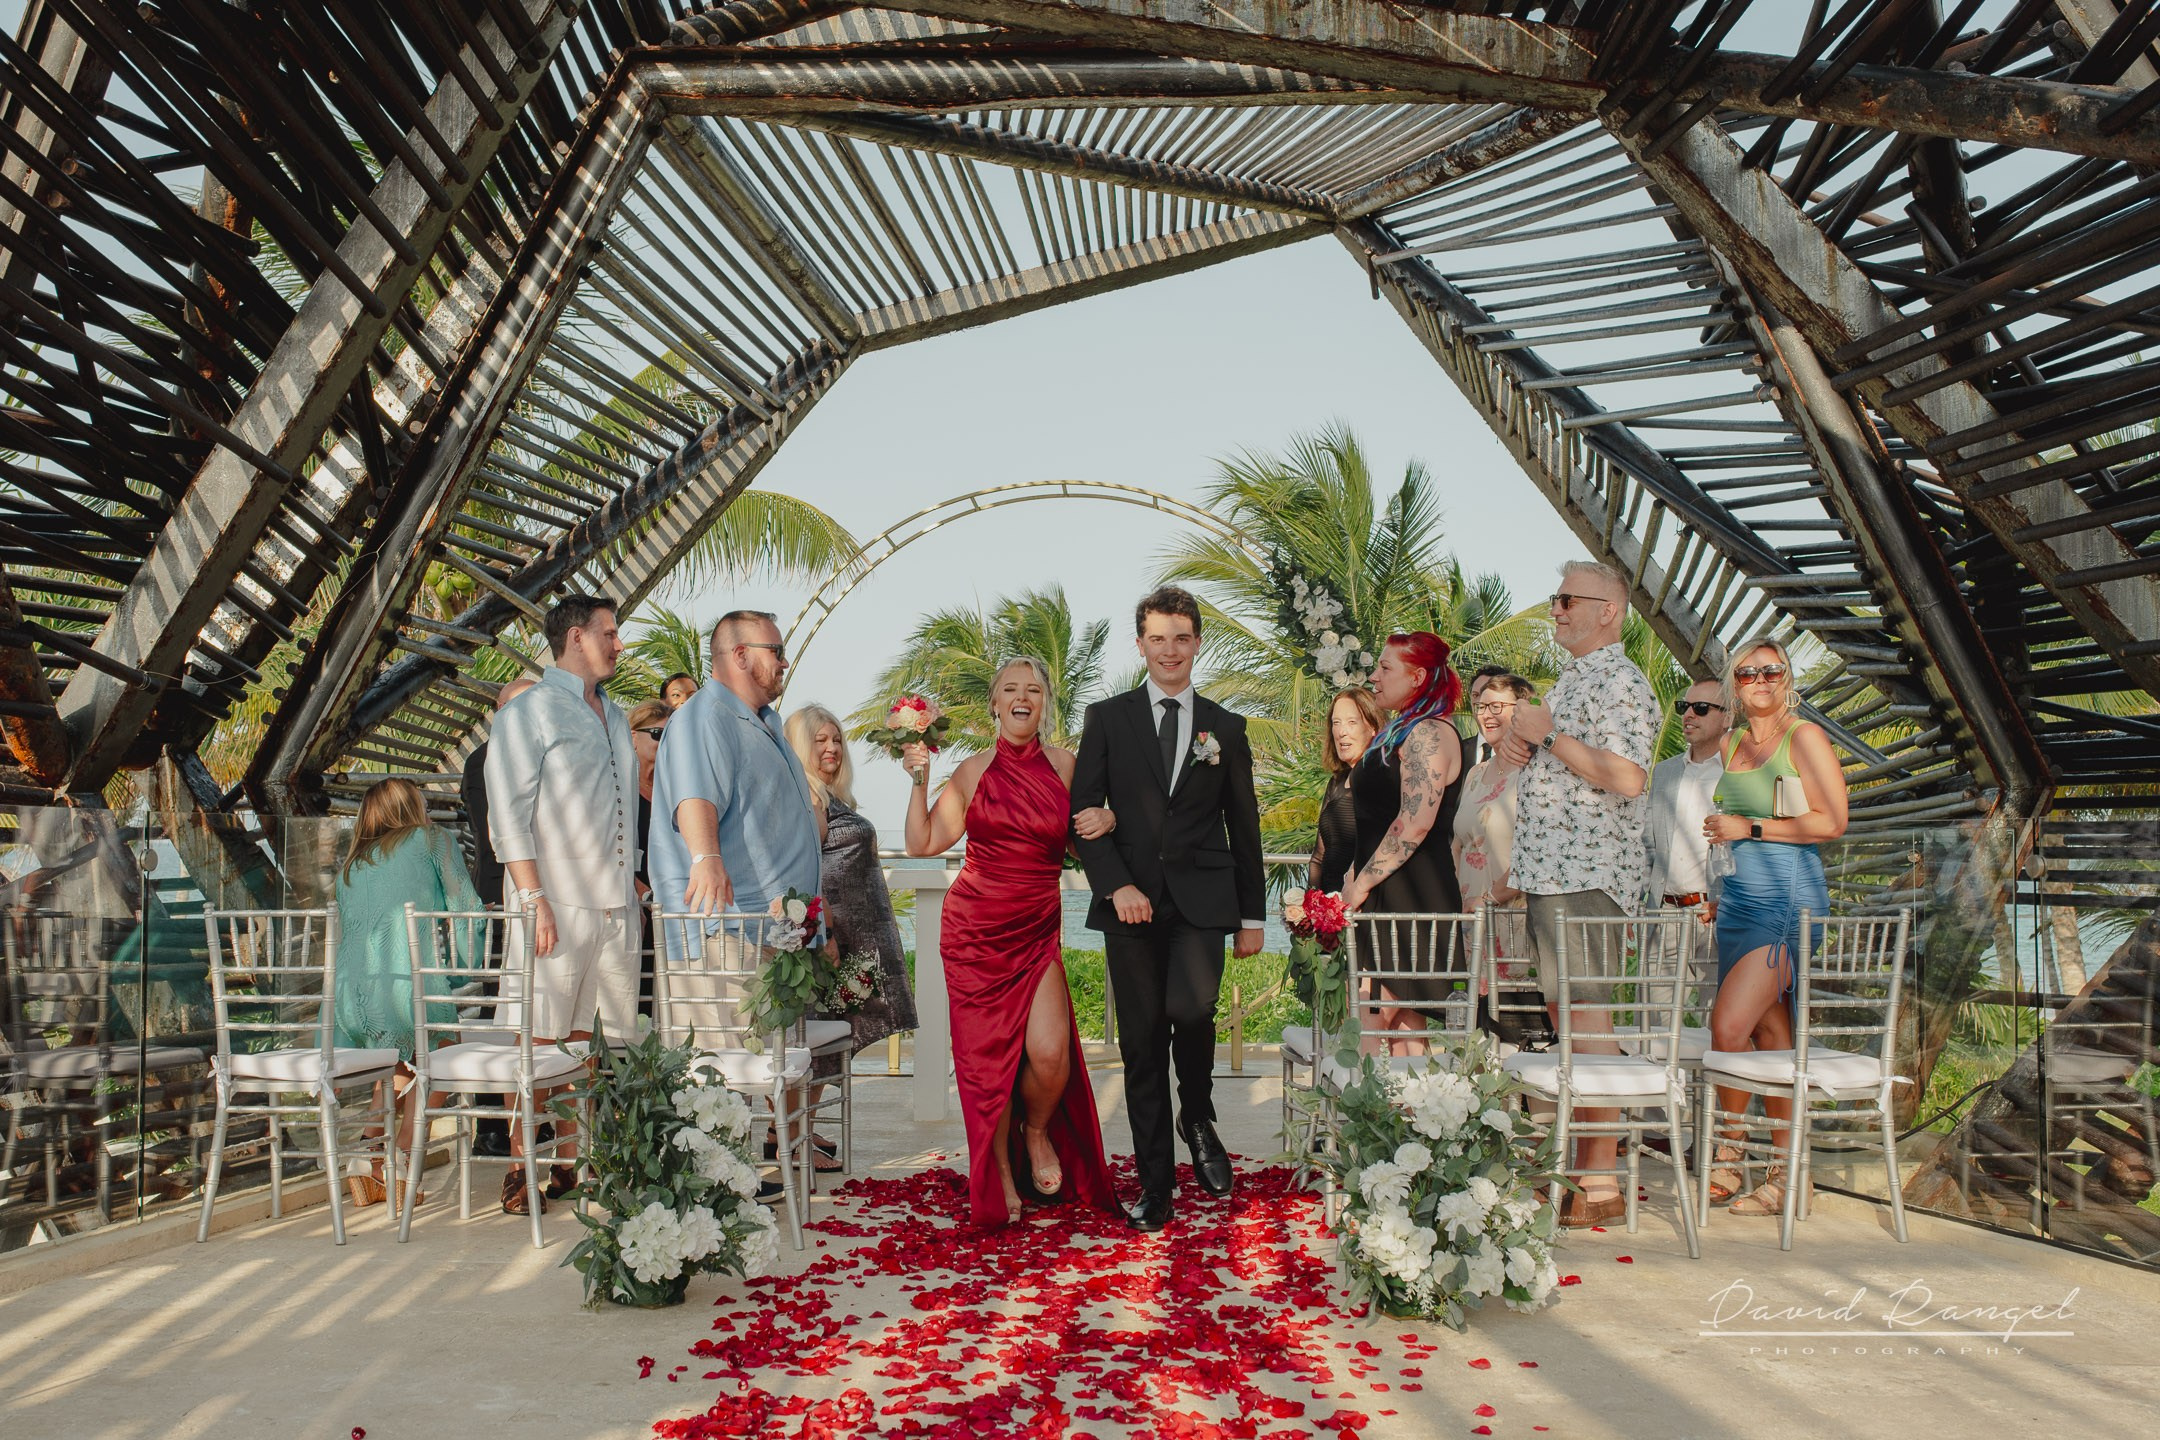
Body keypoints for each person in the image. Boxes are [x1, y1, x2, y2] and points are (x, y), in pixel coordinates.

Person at [1071, 586, 1266, 1233]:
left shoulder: (1226, 728)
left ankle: (1198, 1112)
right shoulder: (1107, 718)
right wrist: (1116, 886)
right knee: (1143, 1046)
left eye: (1181, 637)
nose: (1170, 650)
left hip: (1203, 903)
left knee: (1194, 1009)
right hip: (1130, 905)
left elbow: (1246, 827)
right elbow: (1083, 820)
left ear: (1196, 643)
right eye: (1158, 638)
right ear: (1141, 645)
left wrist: (1252, 917)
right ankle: (1156, 1187)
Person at [902, 658, 1117, 1226]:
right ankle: (998, 1171)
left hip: (1037, 926)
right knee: (986, 1065)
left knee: (1051, 1058)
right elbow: (922, 843)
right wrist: (920, 778)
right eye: (1011, 690)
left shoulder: (1068, 768)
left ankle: (1036, 1130)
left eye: (1034, 690)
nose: (1023, 698)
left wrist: (1107, 819)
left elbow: (1080, 847)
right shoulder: (972, 773)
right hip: (974, 931)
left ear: (1046, 703)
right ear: (994, 703)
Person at [1499, 560, 1660, 1228]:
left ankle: (1598, 1181)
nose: (1555, 609)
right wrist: (1525, 749)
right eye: (1554, 597)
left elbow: (1628, 777)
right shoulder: (1574, 683)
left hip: (1588, 880)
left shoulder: (1620, 681)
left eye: (1567, 599)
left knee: (1589, 1027)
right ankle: (1584, 1171)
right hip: (1555, 878)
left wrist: (1549, 738)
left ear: (1608, 612)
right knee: (1574, 1024)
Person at [484, 595, 640, 1216]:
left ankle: (572, 1166)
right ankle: (522, 1167)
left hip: (614, 904)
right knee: (536, 1037)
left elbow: (624, 806)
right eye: (610, 633)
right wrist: (533, 897)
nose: (619, 644)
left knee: (586, 1043)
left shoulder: (619, 717)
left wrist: (634, 885)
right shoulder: (530, 710)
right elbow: (508, 812)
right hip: (552, 901)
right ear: (576, 637)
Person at [1701, 636, 1847, 1217]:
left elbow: (1832, 821)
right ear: (1734, 684)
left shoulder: (1804, 736)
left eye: (1770, 671)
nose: (1759, 681)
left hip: (1787, 903)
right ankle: (1789, 1177)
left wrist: (1751, 829)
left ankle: (1729, 1155)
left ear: (1786, 677)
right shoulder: (1732, 740)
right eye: (1746, 674)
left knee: (1727, 1024)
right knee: (1768, 1037)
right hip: (1737, 902)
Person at [647, 611, 821, 1043]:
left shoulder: (768, 722)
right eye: (776, 651)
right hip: (723, 934)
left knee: (779, 1070)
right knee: (721, 1082)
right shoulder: (704, 717)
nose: (784, 662)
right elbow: (694, 797)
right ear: (740, 655)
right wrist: (706, 858)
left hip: (773, 932)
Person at [333, 779, 484, 1209]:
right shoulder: (433, 839)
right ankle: (402, 1152)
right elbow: (465, 905)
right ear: (412, 807)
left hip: (353, 1000)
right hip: (403, 989)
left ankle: (367, 1152)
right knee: (443, 1050)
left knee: (402, 1061)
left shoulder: (353, 863)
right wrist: (464, 966)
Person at [785, 702, 920, 1170]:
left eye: (837, 739)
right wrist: (822, 936)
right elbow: (805, 872)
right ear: (800, 745)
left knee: (823, 1039)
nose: (831, 748)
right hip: (829, 944)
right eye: (820, 740)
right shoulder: (809, 796)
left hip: (846, 938)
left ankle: (792, 1131)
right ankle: (792, 1136)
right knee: (816, 1038)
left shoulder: (827, 795)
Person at [1341, 633, 1469, 1052]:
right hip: (1385, 888)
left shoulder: (1429, 733)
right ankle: (1408, 1115)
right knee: (1399, 1030)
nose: (1374, 676)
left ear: (1416, 677)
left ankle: (1365, 1113)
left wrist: (1359, 885)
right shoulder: (1402, 729)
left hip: (1411, 894)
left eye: (1385, 668)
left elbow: (1414, 823)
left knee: (1374, 1022)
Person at [457, 676, 534, 1158]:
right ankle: (492, 1119)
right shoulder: (485, 759)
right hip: (499, 896)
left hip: (523, 894)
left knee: (527, 1007)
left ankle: (526, 1114)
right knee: (498, 1008)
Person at [1454, 672, 1533, 1002]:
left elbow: (1535, 853)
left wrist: (1488, 900)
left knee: (1514, 1023)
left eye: (1496, 706)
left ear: (1523, 710)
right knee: (1476, 1020)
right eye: (1480, 706)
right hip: (1471, 916)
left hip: (1514, 917)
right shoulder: (1474, 773)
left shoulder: (1535, 774)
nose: (1485, 714)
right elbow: (1459, 842)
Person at [1646, 679, 1728, 925]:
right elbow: (1648, 844)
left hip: (1715, 917)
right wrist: (1636, 905)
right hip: (1661, 916)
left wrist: (1729, 904)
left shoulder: (1739, 773)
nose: (1689, 715)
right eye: (1684, 706)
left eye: (1701, 707)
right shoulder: (1663, 772)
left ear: (1728, 718)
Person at [1310, 688, 1382, 893]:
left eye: (1352, 722)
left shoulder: (1382, 779)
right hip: (1327, 912)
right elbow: (1318, 857)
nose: (1342, 732)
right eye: (1336, 723)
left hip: (1361, 906)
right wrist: (1310, 905)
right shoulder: (1336, 781)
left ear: (1373, 726)